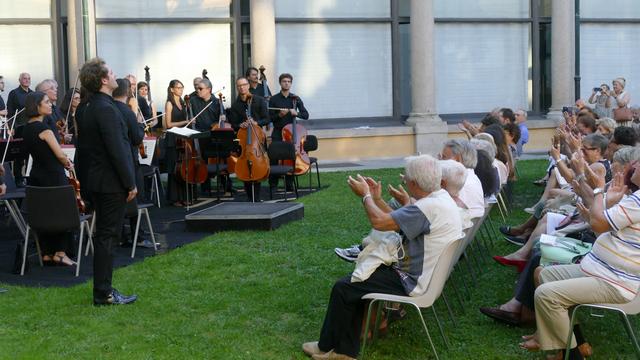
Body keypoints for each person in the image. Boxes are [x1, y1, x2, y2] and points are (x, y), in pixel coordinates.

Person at [303, 155, 463, 360]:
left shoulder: (428, 207)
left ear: (414, 183)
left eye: (406, 178)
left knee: (344, 287)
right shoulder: (439, 200)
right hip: (423, 276)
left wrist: (365, 196)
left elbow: (379, 222)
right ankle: (343, 349)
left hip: (412, 281)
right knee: (357, 281)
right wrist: (377, 199)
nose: (404, 181)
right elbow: (398, 220)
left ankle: (333, 349)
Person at [76, 57, 137, 306]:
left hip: (95, 181)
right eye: (110, 72)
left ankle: (103, 290)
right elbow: (118, 149)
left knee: (103, 236)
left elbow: (83, 151)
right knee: (107, 237)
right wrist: (130, 183)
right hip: (110, 183)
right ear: (103, 80)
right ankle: (104, 293)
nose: (114, 75)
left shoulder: (85, 108)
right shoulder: (106, 108)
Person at [22, 91, 75, 266]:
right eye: (46, 102)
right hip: (53, 175)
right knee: (61, 212)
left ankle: (47, 253)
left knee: (44, 213)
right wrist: (68, 163)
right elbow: (59, 155)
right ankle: (60, 252)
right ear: (37, 106)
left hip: (37, 175)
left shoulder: (26, 129)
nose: (51, 104)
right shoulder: (44, 130)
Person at [228, 77, 270, 202]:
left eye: (244, 85)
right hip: (244, 142)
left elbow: (267, 119)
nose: (242, 87)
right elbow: (233, 124)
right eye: (239, 85)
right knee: (245, 166)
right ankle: (249, 197)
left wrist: (256, 122)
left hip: (258, 140)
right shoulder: (236, 105)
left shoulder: (259, 100)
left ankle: (256, 197)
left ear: (248, 86)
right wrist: (240, 125)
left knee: (257, 165)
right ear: (237, 88)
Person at [268, 73, 309, 191]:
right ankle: (273, 185)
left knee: (290, 158)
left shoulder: (295, 98)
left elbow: (306, 115)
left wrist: (297, 114)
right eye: (284, 81)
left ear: (291, 83)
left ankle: (289, 183)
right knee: (274, 158)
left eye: (288, 81)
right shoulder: (274, 99)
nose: (286, 83)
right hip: (278, 132)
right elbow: (270, 118)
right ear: (280, 83)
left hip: (291, 135)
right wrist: (279, 114)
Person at [163, 79, 191, 207]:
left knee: (183, 168)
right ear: (172, 89)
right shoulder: (169, 103)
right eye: (178, 87)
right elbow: (168, 124)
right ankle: (174, 198)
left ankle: (184, 196)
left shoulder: (183, 103)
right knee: (175, 169)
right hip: (173, 138)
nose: (181, 90)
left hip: (182, 138)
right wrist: (184, 122)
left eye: (182, 87)